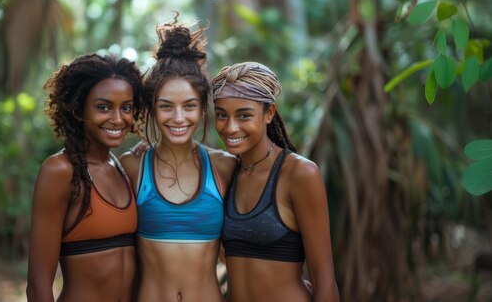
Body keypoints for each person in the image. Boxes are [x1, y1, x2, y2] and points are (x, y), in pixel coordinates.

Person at [119, 16, 237, 302]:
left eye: (189, 106)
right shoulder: (133, 166)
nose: (179, 118)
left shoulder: (225, 166)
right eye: (166, 107)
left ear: (202, 107)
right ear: (151, 107)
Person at [212, 62, 340, 302]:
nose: (230, 127)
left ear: (269, 113)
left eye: (244, 115)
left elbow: (324, 280)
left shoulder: (298, 174)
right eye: (221, 115)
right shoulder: (229, 173)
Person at [26, 53, 143, 302]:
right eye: (103, 107)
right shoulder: (61, 171)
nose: (117, 119)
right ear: (78, 109)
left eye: (126, 108)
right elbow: (38, 286)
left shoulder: (120, 167)